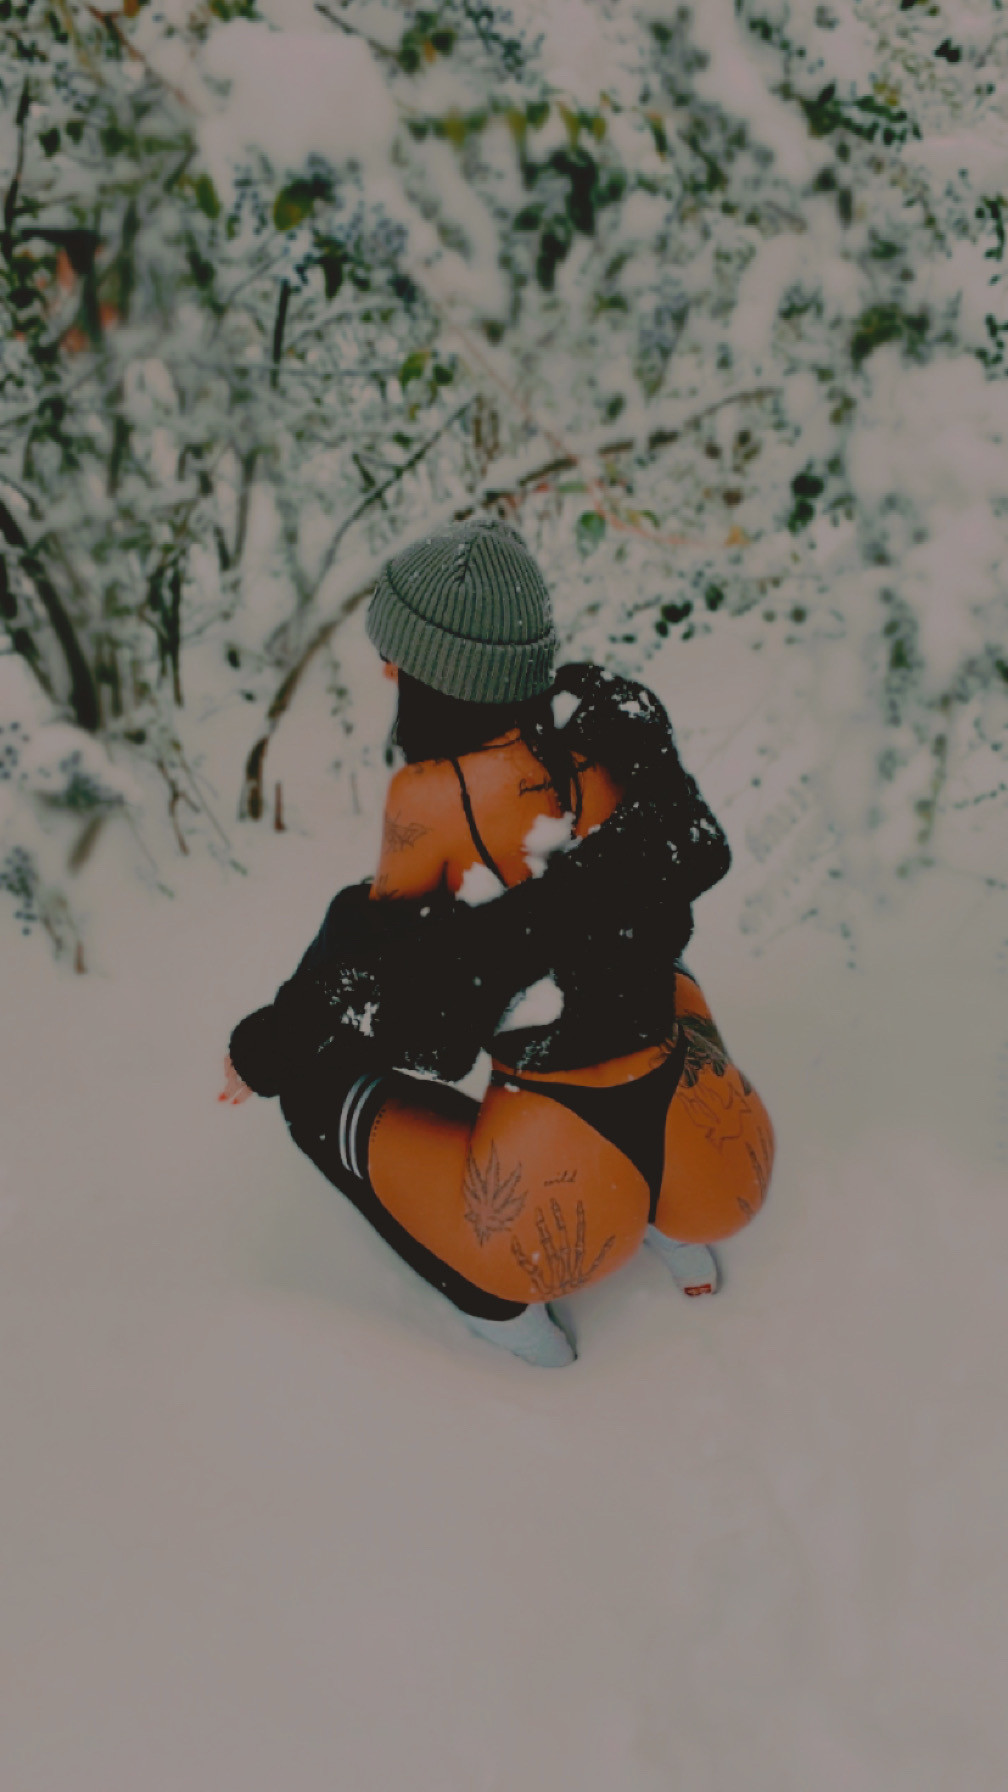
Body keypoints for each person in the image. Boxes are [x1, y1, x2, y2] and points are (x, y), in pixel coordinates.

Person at [221, 517, 774, 1366]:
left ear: (441, 674)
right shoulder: (611, 733)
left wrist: (272, 1042)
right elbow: (665, 868)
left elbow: (396, 980)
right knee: (638, 936)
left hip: (557, 1215)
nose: (386, 670)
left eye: (398, 657)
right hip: (725, 1153)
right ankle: (676, 1229)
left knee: (313, 1093)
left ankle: (500, 1309)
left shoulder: (427, 798)